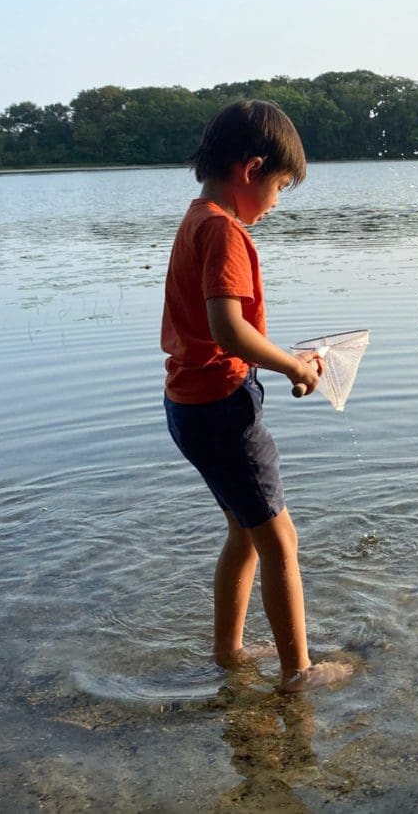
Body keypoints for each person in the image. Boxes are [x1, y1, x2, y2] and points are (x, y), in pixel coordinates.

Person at [161, 99, 353, 692]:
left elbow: (220, 331)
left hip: (189, 404)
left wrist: (285, 362)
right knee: (280, 539)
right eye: (279, 187)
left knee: (244, 533)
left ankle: (230, 653)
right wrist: (296, 363)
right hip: (221, 410)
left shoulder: (196, 218)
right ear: (250, 170)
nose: (275, 203)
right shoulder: (223, 230)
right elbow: (228, 330)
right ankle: (300, 672)